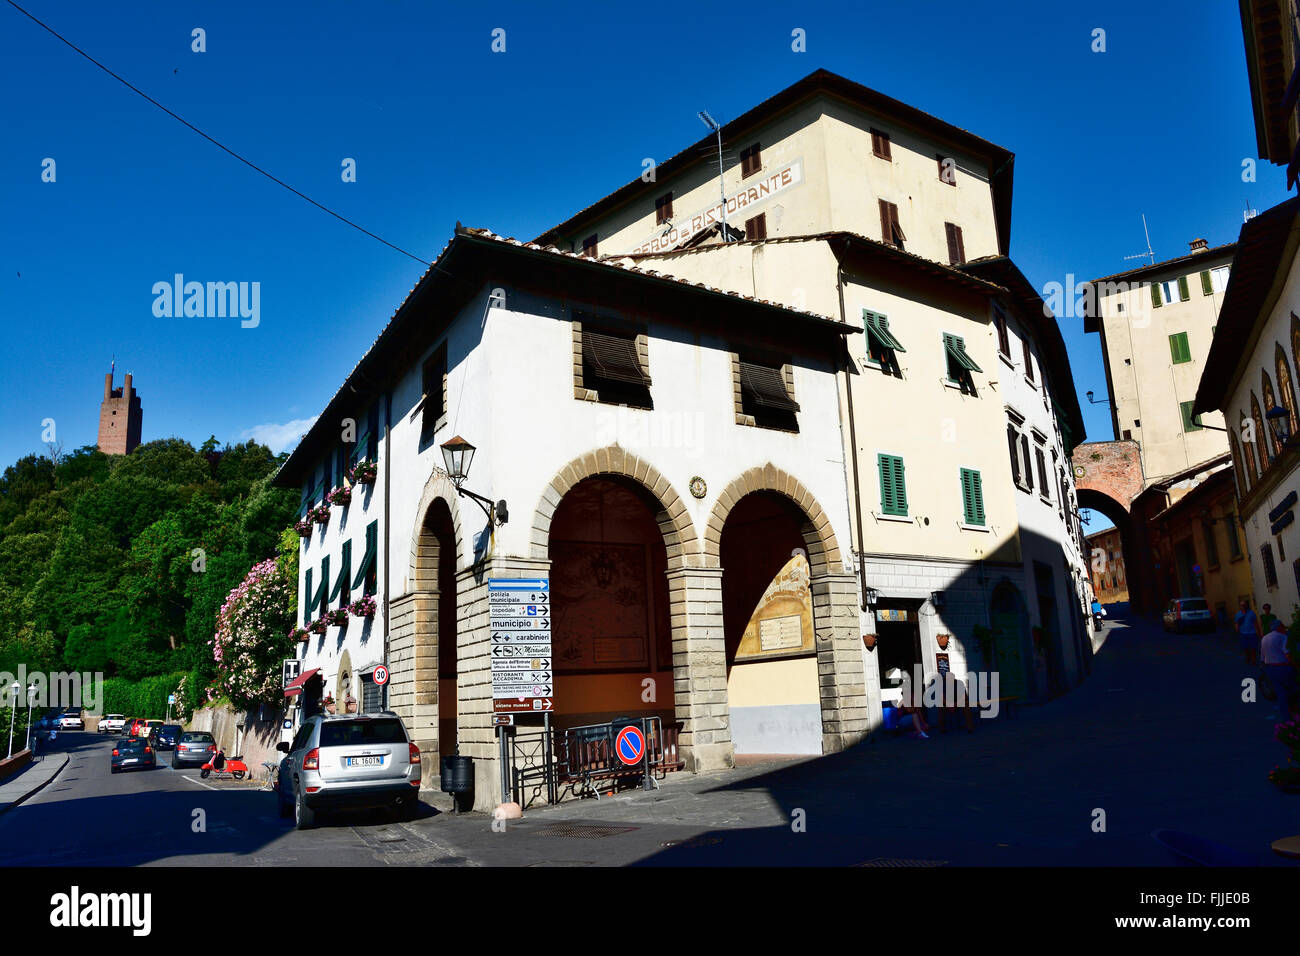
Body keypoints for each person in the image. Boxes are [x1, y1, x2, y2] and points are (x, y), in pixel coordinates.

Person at [1261, 619, 1297, 724]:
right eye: (1283, 626)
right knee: (1292, 690)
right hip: (1283, 667)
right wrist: (1295, 666)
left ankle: (1286, 719)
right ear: (1279, 627)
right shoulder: (1283, 637)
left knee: (1280, 694)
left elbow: (1262, 657)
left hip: (1270, 669)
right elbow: (1287, 654)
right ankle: (1294, 714)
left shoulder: (1264, 638)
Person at [1236, 600, 1261, 666]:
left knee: (1253, 648)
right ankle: (1248, 656)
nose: (1243, 606)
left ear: (1246, 605)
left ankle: (1253, 660)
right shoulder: (1238, 614)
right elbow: (1237, 623)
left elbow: (1256, 623)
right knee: (1245, 648)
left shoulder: (1251, 613)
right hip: (1243, 633)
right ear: (1240, 606)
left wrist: (1258, 633)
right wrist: (1237, 630)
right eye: (1242, 605)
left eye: (1244, 605)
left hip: (1252, 633)